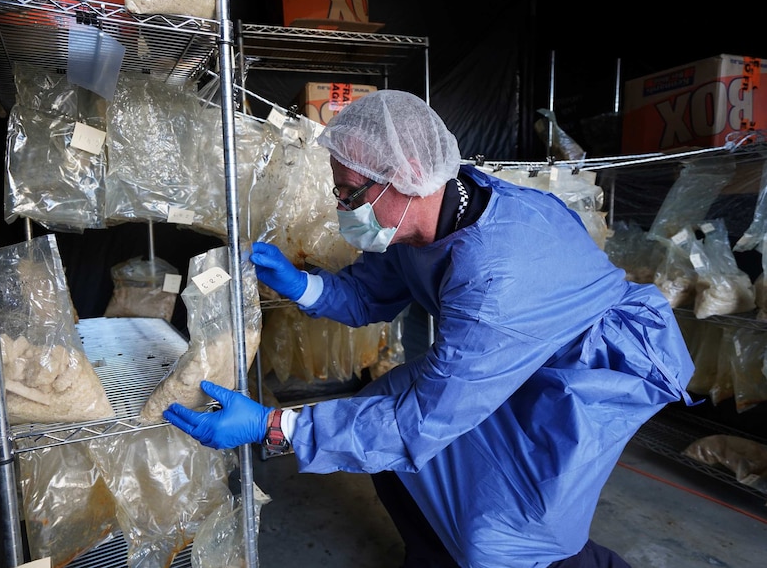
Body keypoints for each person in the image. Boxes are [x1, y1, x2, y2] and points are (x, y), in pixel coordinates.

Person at [163, 90, 695, 568]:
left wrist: (275, 427)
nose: (341, 207)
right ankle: (431, 555)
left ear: (408, 172)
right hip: (513, 350)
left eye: (348, 194)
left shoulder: (493, 280)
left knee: (510, 533)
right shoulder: (431, 217)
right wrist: (302, 285)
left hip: (585, 371)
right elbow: (372, 291)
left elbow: (417, 421)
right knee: (388, 417)